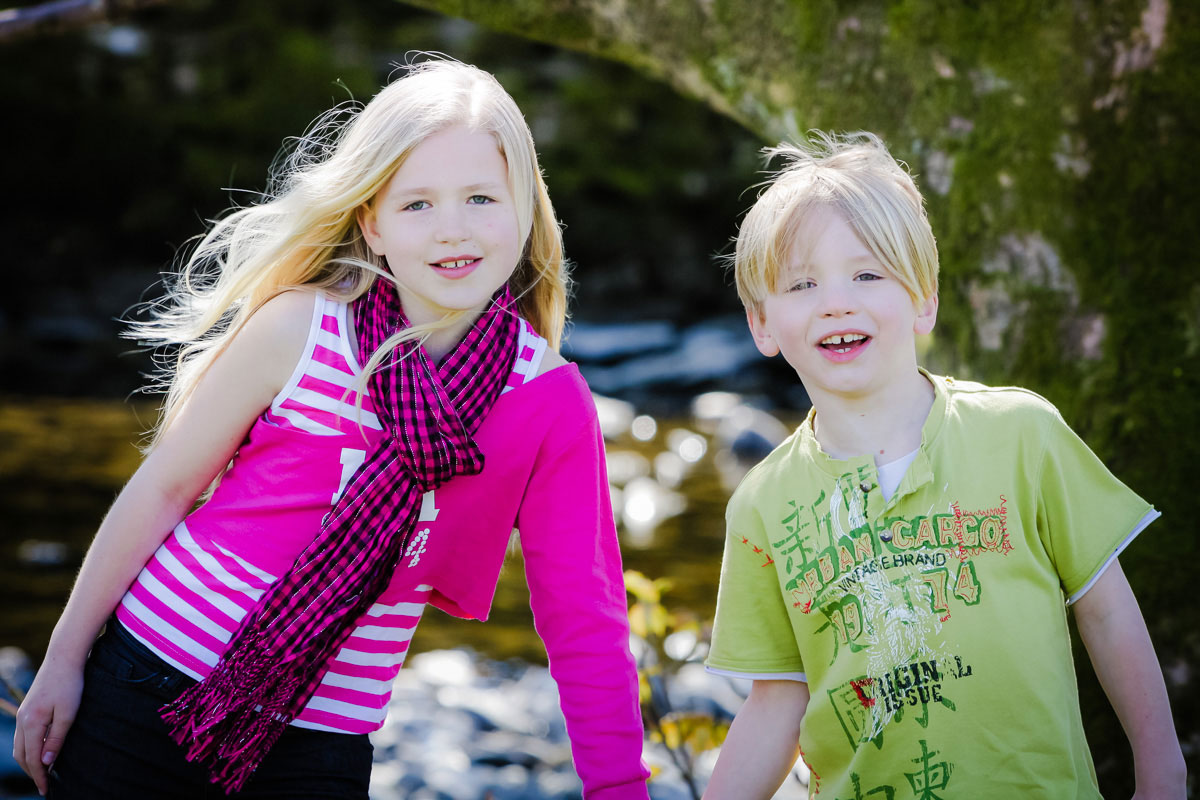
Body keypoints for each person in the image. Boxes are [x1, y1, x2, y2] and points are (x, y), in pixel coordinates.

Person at [14, 59, 650, 799]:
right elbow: (165, 488)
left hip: (325, 741)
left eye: (481, 197)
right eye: (417, 205)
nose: (453, 230)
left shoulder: (546, 400)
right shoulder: (301, 327)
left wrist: (618, 790)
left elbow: (585, 623)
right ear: (371, 224)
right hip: (147, 684)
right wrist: (63, 658)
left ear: (525, 212)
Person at [702, 131, 1186, 799]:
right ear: (762, 323)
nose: (836, 301)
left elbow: (1105, 614)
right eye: (801, 283)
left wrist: (1162, 770)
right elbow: (776, 702)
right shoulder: (762, 505)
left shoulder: (1021, 434)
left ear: (924, 297)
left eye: (868, 274)